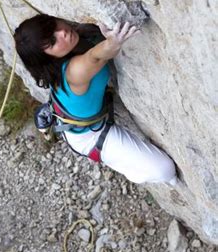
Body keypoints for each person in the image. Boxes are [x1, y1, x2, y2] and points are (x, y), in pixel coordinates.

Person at [14, 14, 177, 184]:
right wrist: (113, 42)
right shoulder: (74, 71)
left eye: (53, 26)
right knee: (165, 171)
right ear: (47, 57)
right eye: (53, 42)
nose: (62, 32)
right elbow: (96, 57)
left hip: (71, 116)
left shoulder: (69, 48)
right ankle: (129, 169)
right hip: (89, 136)